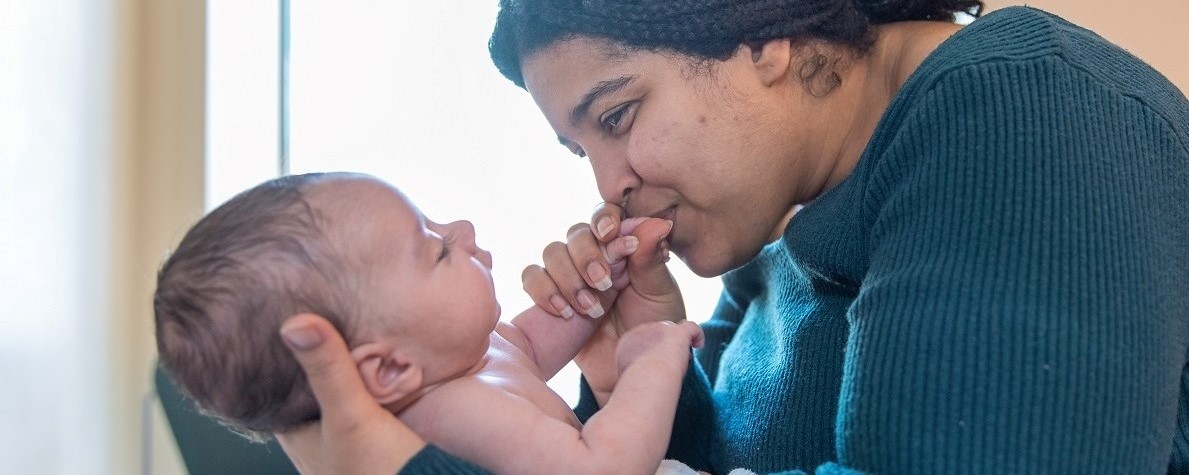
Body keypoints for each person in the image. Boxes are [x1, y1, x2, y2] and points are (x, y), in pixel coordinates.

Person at [276, 1, 1189, 473]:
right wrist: (634, 372)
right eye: (579, 147)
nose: (607, 183)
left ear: (763, 33)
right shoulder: (778, 240)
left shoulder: (1025, 108)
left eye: (619, 113)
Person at [153, 172, 710, 475]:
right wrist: (651, 363)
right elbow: (602, 469)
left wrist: (602, 283)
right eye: (438, 250)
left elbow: (529, 346)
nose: (462, 229)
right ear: (391, 368)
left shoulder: (469, 362)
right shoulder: (454, 413)